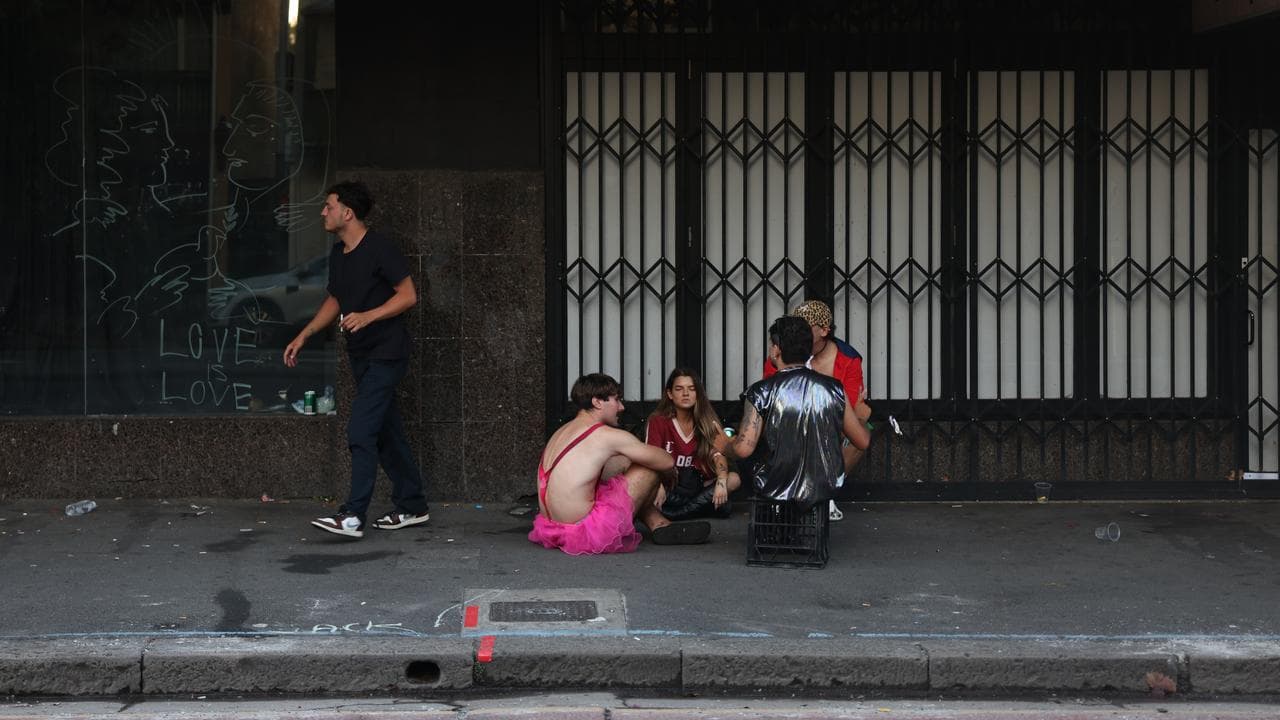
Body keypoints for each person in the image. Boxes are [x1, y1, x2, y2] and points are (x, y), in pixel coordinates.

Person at [283, 180, 429, 538]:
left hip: (387, 353)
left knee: (361, 430)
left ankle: (352, 516)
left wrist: (368, 315)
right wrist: (305, 334)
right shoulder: (339, 253)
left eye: (328, 206)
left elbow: (408, 295)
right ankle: (412, 505)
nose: (323, 211)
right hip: (361, 355)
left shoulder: (381, 249)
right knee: (385, 433)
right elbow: (336, 299)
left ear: (347, 212)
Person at [529, 373, 712, 555]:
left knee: (623, 461)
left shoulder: (563, 430)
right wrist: (667, 473)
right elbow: (666, 460)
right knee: (648, 468)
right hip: (584, 531)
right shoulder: (606, 435)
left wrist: (628, 461)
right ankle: (658, 523)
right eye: (616, 400)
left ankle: (658, 524)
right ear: (597, 402)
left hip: (552, 526)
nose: (622, 407)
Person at [716, 316, 870, 509]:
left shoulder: (760, 391)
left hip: (773, 487)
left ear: (776, 350)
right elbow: (862, 441)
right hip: (823, 487)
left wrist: (725, 445)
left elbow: (743, 449)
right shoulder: (834, 389)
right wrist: (861, 417)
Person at [762, 299, 872, 519]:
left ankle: (825, 493)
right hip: (787, 423)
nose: (798, 334)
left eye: (805, 328)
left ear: (824, 330)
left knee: (862, 425)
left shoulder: (848, 359)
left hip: (830, 426)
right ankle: (780, 493)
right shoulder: (780, 353)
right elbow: (769, 395)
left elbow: (848, 409)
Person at [645, 368, 741, 520]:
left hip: (698, 487)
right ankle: (702, 509)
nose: (685, 394)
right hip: (671, 488)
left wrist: (722, 481)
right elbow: (650, 458)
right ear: (670, 394)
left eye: (691, 389)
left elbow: (718, 456)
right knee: (647, 488)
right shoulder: (658, 421)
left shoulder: (707, 421)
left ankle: (678, 514)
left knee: (733, 479)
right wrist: (657, 485)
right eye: (679, 389)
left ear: (698, 394)